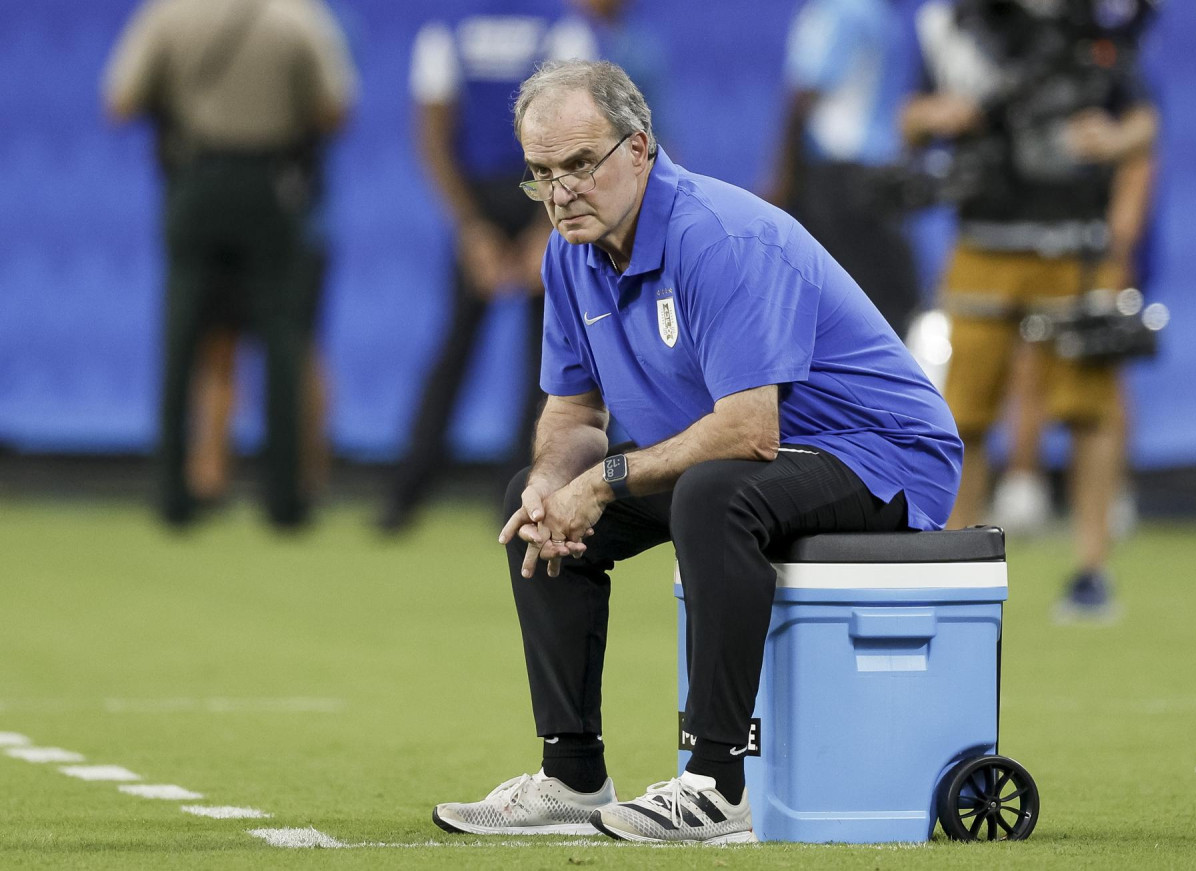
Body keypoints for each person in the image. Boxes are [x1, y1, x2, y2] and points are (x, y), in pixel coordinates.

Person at [430, 60, 963, 844]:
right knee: (530, 496)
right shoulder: (568, 252)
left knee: (711, 495)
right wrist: (553, 482)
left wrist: (606, 480)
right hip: (754, 459)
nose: (560, 191)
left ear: (639, 149)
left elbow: (751, 429)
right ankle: (572, 774)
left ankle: (717, 786)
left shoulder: (717, 235)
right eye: (541, 173)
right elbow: (575, 408)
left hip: (882, 454)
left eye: (580, 164)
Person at [901, 0, 1158, 617]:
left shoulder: (1087, 22)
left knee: (1088, 410)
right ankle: (956, 568)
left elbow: (1143, 117)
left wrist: (1115, 138)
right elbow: (908, 120)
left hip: (1073, 239)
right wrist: (940, 115)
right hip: (984, 240)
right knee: (963, 411)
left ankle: (1092, 572)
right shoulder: (950, 24)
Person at [103, 0, 357, 529]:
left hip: (195, 179)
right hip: (272, 186)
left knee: (183, 337)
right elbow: (335, 108)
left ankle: (174, 495)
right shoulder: (299, 18)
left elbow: (121, 100)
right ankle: (286, 501)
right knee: (284, 338)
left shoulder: (168, 15)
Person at [376, 2, 598, 535]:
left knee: (547, 363)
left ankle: (524, 495)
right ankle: (408, 496)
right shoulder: (550, 28)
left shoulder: (546, 27)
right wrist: (473, 228)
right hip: (497, 202)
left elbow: (581, 138)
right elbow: (434, 136)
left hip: (541, 197)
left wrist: (545, 229)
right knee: (464, 352)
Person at [770, 0, 923, 338]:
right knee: (858, 314)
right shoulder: (842, 10)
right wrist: (783, 178)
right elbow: (804, 95)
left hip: (864, 185)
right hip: (840, 186)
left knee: (878, 313)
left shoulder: (873, 14)